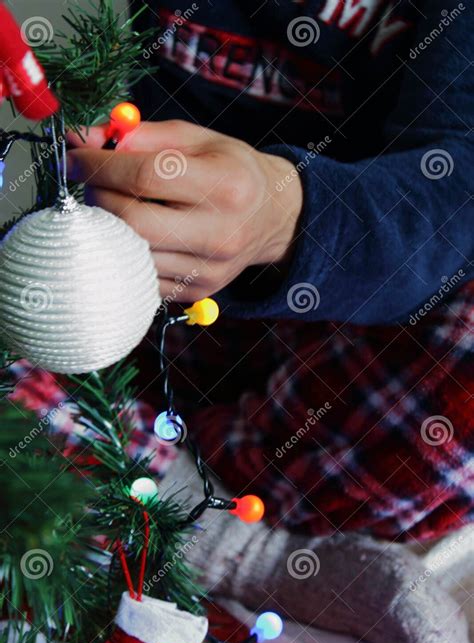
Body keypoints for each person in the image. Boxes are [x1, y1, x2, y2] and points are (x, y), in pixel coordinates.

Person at [67, 0, 474, 541]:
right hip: (161, 313)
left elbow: (454, 191)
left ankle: (210, 519)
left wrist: (283, 217)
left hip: (355, 351)